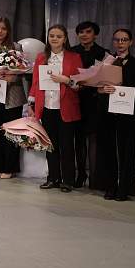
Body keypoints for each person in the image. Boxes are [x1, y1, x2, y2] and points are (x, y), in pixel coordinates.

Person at [96, 29, 135, 201]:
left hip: (127, 113)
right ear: (113, 41)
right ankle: (110, 187)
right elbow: (96, 86)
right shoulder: (107, 62)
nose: (120, 43)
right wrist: (102, 90)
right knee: (108, 150)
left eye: (124, 40)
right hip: (108, 113)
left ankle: (124, 188)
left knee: (127, 151)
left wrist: (132, 91)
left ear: (130, 42)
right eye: (117, 40)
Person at [28, 24, 82, 192]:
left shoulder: (74, 57)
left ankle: (68, 180)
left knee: (67, 146)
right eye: (52, 36)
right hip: (47, 107)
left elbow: (80, 85)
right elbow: (35, 82)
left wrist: (66, 80)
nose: (55, 39)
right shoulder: (41, 57)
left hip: (66, 108)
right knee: (50, 145)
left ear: (65, 39)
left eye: (59, 36)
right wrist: (31, 103)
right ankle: (53, 178)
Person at [0, 17, 26, 179]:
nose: (0, 31)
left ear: (8, 31)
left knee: (12, 133)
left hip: (13, 97)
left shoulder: (16, 47)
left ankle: (10, 168)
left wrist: (12, 76)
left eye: (3, 28)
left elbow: (23, 70)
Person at [70, 21, 107, 189]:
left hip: (95, 101)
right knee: (78, 140)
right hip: (75, 100)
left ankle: (94, 176)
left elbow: (108, 77)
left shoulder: (103, 53)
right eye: (81, 32)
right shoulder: (72, 52)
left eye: (88, 32)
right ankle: (81, 175)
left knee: (94, 140)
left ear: (95, 34)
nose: (84, 35)